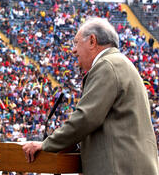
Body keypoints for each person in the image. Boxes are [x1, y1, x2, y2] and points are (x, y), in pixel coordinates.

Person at [22, 17, 159, 175]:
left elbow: (86, 118)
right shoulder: (121, 63)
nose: (73, 50)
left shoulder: (106, 66)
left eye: (76, 42)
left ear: (92, 41)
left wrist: (46, 145)